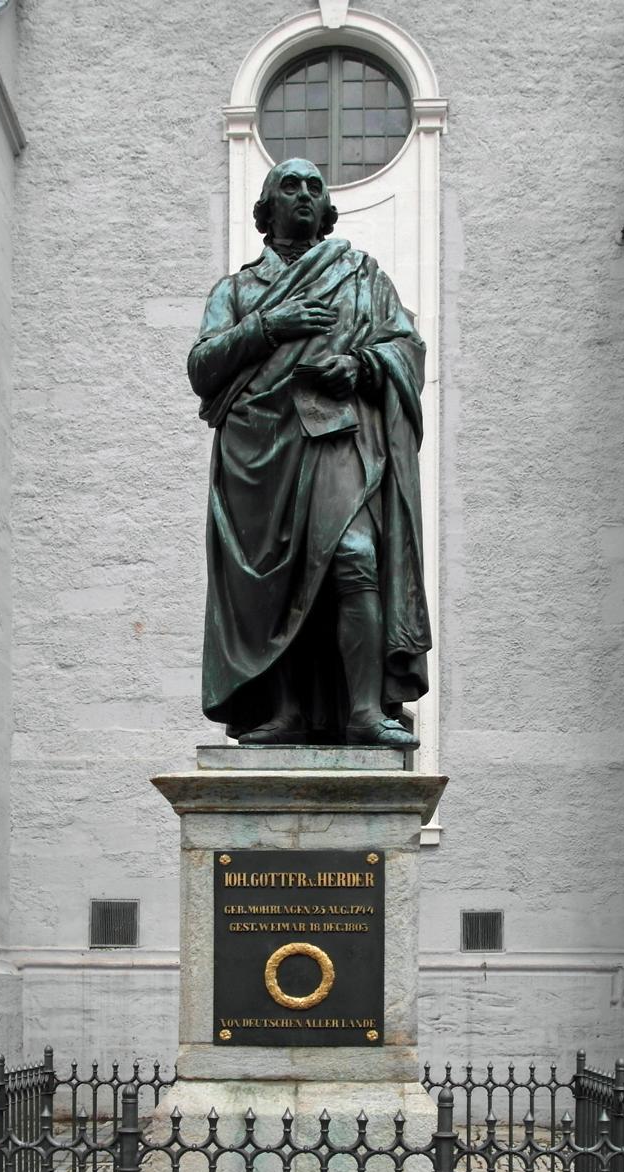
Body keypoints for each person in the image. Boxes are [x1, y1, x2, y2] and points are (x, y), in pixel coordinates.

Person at [188, 159, 430, 747]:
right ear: (266, 209)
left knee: (353, 557)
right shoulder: (238, 290)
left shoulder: (360, 276)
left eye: (313, 187)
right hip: (258, 453)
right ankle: (286, 713)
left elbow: (405, 346)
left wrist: (361, 363)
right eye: (288, 186)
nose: (303, 194)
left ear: (326, 210)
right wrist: (271, 325)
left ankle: (366, 712)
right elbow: (203, 367)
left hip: (334, 435)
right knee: (278, 583)